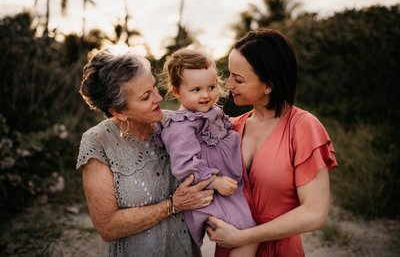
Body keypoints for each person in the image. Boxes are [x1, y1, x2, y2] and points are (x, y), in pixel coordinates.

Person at [207, 29, 338, 257]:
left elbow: (315, 213)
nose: (227, 84)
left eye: (238, 79)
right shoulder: (230, 127)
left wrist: (242, 237)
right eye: (229, 74)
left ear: (268, 85)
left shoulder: (303, 127)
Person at [76, 47, 215, 257]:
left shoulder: (178, 124)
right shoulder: (98, 142)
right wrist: (172, 205)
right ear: (119, 111)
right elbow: (107, 227)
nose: (158, 98)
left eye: (155, 88)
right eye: (146, 96)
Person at [155, 48, 258, 257]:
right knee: (245, 233)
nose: (206, 95)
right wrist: (215, 181)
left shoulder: (213, 112)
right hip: (209, 192)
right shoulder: (180, 126)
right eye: (196, 89)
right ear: (176, 92)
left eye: (211, 87)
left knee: (247, 232)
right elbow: (184, 164)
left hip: (228, 189)